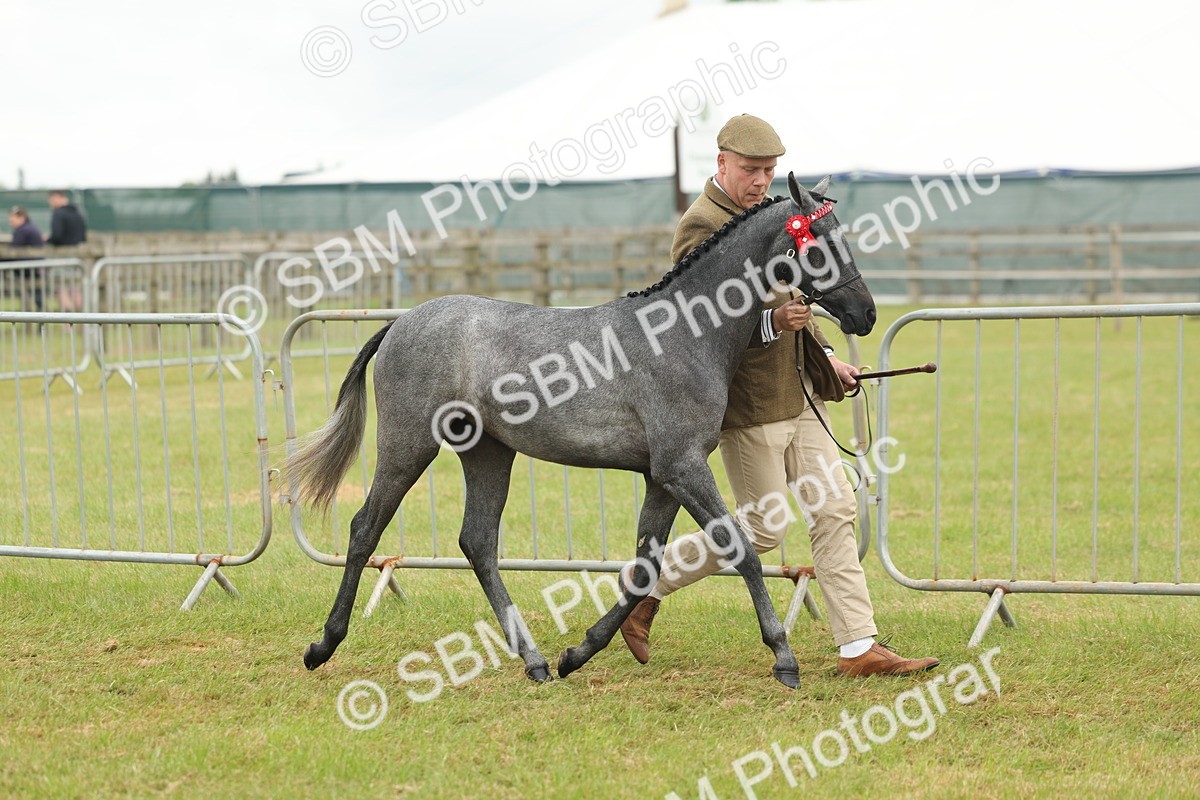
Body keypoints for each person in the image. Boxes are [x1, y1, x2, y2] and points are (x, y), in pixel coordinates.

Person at [620, 114, 938, 677]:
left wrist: (826, 356)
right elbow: (696, 322)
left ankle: (858, 647)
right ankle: (645, 584)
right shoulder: (700, 226)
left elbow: (798, 298)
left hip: (800, 394)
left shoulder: (777, 217)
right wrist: (770, 324)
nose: (761, 180)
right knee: (765, 528)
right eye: (751, 169)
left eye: (769, 170)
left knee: (835, 508)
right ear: (722, 162)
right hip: (748, 404)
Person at [6, 206, 46, 310]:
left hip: (30, 269)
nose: (11, 222)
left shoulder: (23, 231)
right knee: (35, 296)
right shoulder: (29, 228)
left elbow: (13, 252)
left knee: (36, 296)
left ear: (22, 217)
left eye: (13, 219)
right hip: (34, 268)